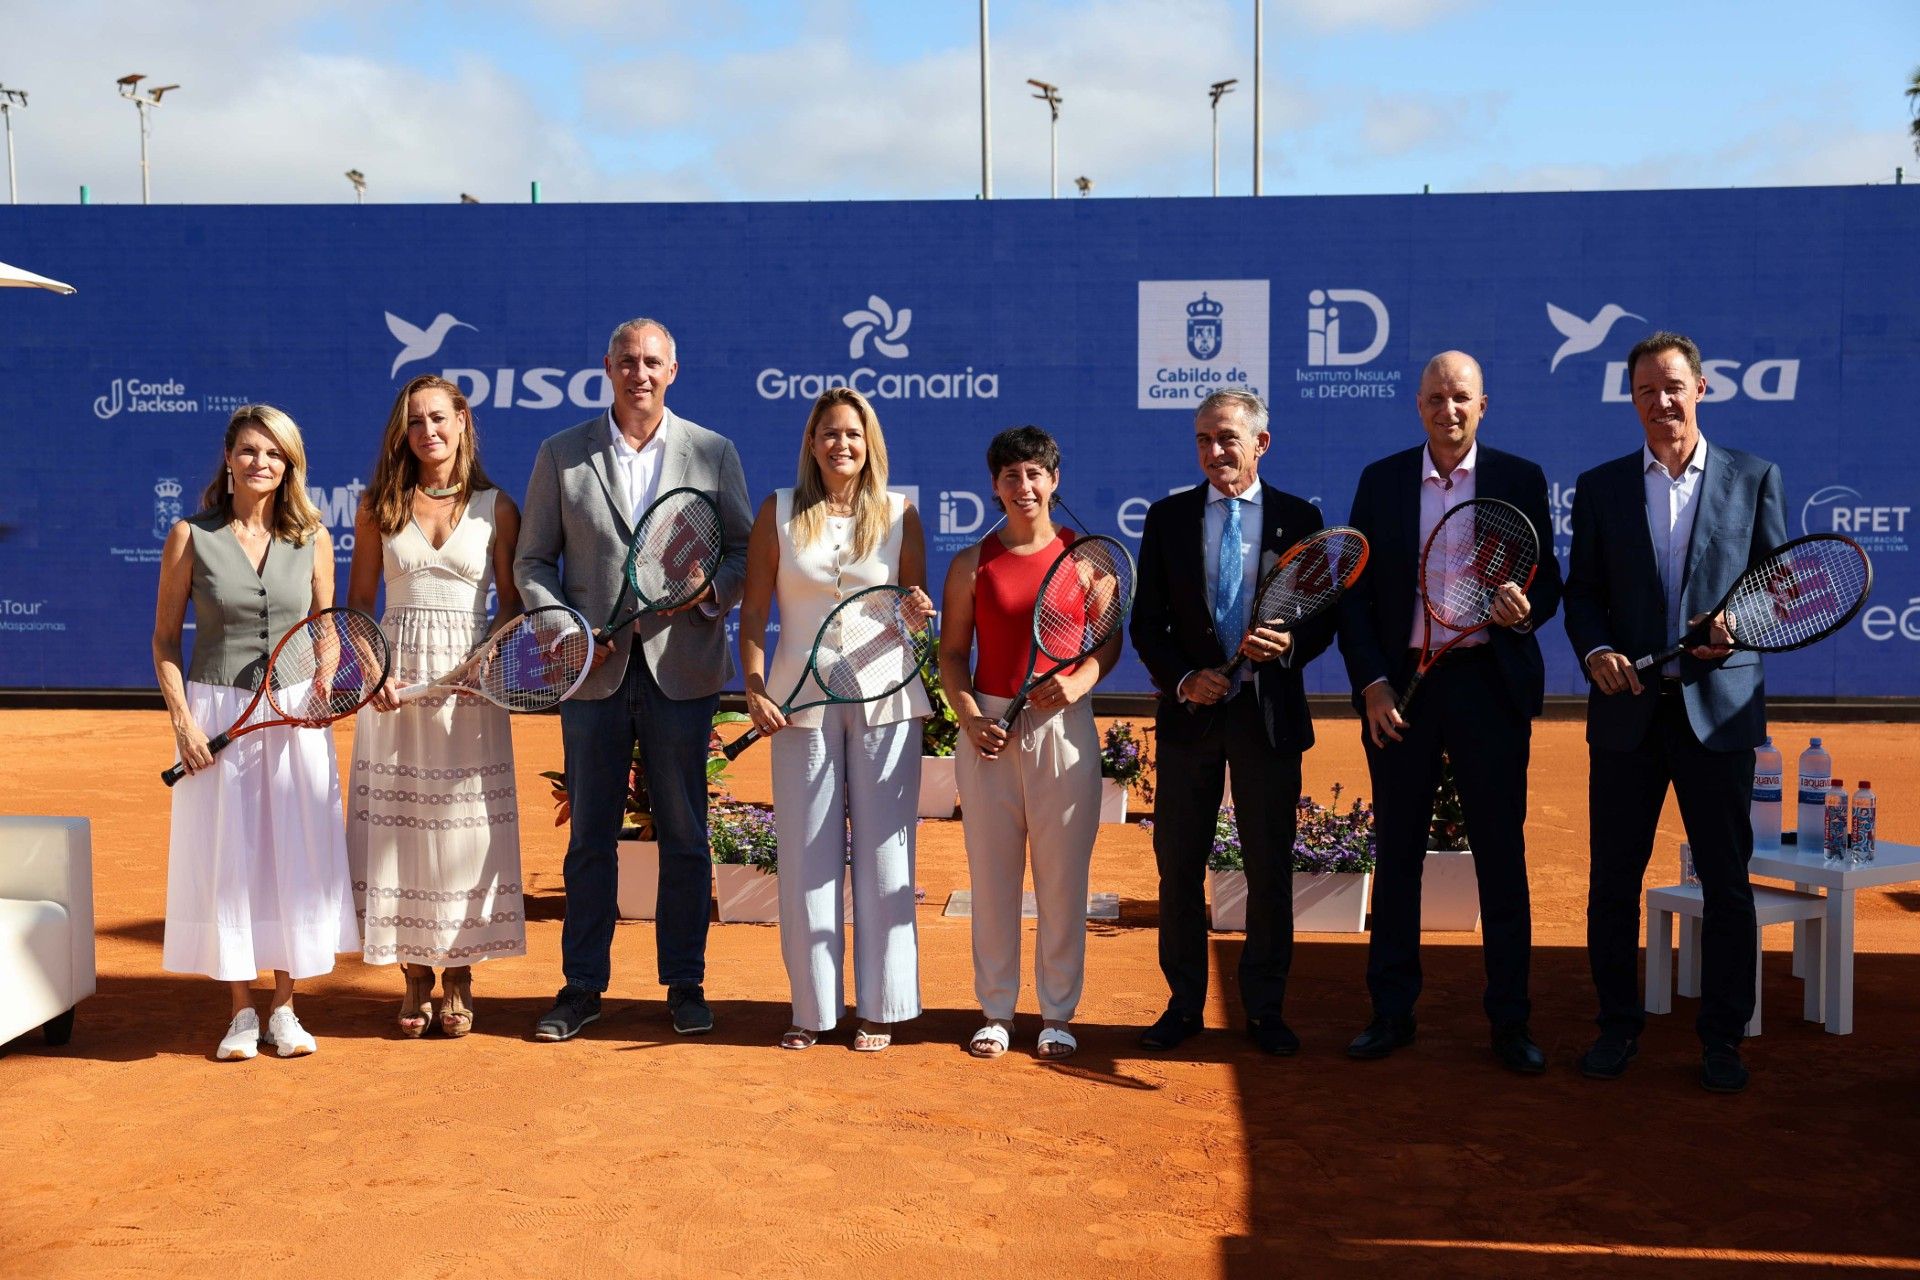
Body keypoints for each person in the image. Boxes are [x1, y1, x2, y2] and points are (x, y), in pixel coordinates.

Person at [515, 317, 752, 1042]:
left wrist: (709, 596)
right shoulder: (562, 454)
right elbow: (532, 563)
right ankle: (581, 986)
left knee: (684, 834)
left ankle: (684, 983)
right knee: (590, 839)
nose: (639, 372)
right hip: (594, 676)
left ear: (672, 370)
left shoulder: (713, 452)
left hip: (683, 670)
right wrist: (565, 629)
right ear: (608, 368)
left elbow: (742, 552)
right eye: (626, 361)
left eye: (652, 361)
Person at [1564, 330, 1786, 1094]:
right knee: (1612, 882)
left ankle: (1723, 1037)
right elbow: (1583, 595)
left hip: (1716, 713)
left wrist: (1738, 628)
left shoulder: (1754, 478)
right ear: (1632, 402)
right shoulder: (1599, 487)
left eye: (1673, 387)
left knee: (1726, 882)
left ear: (1702, 389)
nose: (1661, 402)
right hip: (1626, 712)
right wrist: (1595, 652)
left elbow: (1779, 589)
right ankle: (1616, 1026)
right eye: (1645, 391)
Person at [1335, 352, 1562, 1075]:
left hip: (1488, 687)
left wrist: (1524, 611)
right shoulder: (1382, 480)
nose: (1448, 409)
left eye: (1461, 397)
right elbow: (1355, 599)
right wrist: (1372, 682)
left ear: (1483, 405)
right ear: (1419, 405)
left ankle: (1509, 1022)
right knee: (1397, 852)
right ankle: (1391, 1013)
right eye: (1435, 397)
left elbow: (1547, 581)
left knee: (1501, 858)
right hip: (1404, 689)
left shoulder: (1520, 479)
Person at [1130, 388, 1335, 1057]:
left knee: (1269, 867)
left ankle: (1265, 1009)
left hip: (1267, 720)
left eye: (1227, 439)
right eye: (1203, 440)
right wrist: (1186, 677)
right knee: (1178, 867)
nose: (1215, 451)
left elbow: (1324, 617)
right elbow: (1147, 625)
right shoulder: (1167, 519)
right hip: (1191, 719)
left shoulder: (1301, 519)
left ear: (1260, 444)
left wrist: (1291, 646)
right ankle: (1184, 1003)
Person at [153, 404, 358, 1061]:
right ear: (228, 458)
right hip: (218, 712)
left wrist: (324, 685)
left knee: (292, 855)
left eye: (274, 454)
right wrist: (183, 722)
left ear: (289, 465)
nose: (261, 463)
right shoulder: (191, 535)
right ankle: (240, 1010)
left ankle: (286, 1009)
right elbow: (163, 640)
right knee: (231, 856)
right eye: (249, 451)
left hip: (295, 712)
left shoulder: (313, 540)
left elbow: (325, 625)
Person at [739, 387, 934, 1052]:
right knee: (803, 856)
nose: (840, 444)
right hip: (799, 706)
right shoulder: (779, 511)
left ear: (868, 442)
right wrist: (755, 687)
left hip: (886, 701)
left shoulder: (903, 514)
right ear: (812, 443)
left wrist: (917, 616)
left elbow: (913, 605)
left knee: (885, 858)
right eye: (829, 434)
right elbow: (754, 614)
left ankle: (881, 1008)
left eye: (852, 433)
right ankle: (812, 1010)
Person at [346, 374, 527, 1039]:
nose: (428, 432)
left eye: (438, 418)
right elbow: (359, 602)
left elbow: (511, 600)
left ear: (462, 422)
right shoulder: (377, 506)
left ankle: (459, 972)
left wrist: (489, 656)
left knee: (464, 832)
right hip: (398, 686)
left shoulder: (496, 508)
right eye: (415, 421)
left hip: (469, 689)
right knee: (404, 832)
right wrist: (373, 671)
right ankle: (415, 971)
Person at [938, 426, 1117, 1061]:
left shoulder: (1089, 561)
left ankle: (1058, 1016)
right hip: (988, 730)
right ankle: (995, 1012)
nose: (1024, 487)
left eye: (1034, 474)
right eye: (1011, 476)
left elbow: (1107, 646)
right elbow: (953, 655)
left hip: (1063, 730)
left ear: (1053, 480)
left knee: (1062, 879)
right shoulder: (970, 564)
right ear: (995, 486)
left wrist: (1077, 683)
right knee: (993, 879)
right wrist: (967, 714)